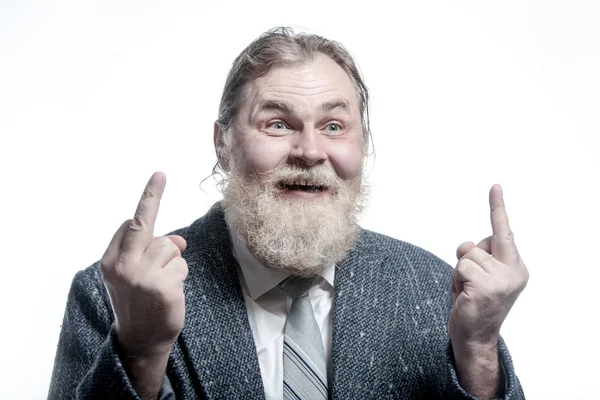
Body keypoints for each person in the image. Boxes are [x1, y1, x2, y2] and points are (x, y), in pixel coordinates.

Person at [49, 27, 528, 399]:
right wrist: (140, 349)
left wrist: (480, 349)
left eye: (334, 125)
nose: (310, 150)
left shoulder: (435, 290)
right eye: (278, 123)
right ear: (223, 143)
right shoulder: (115, 297)